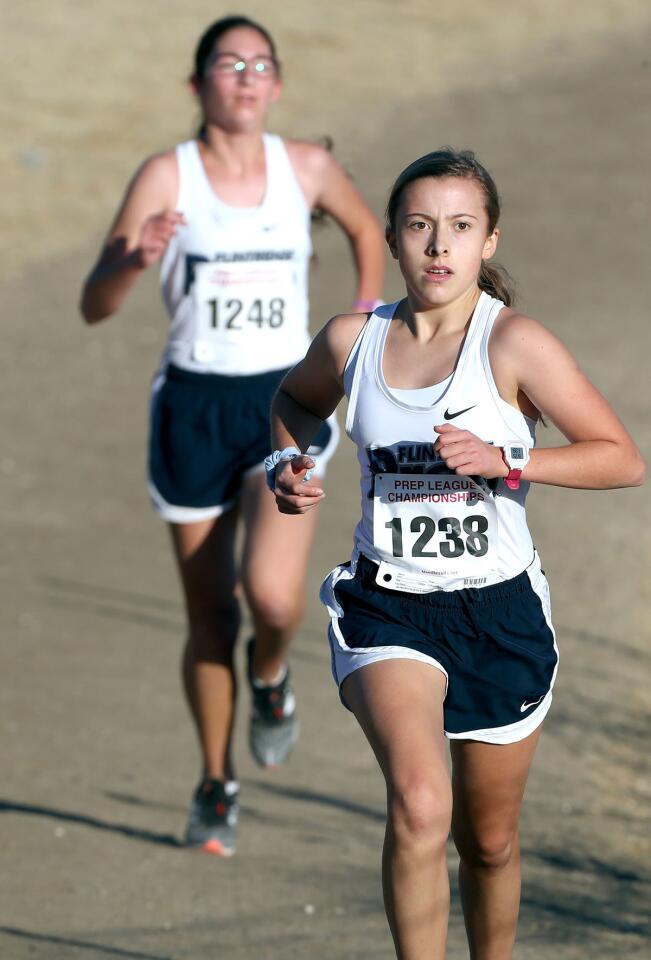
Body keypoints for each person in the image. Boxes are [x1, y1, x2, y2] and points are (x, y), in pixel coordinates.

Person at [267, 148, 645, 958]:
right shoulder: (351, 340)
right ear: (396, 242)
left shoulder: (514, 344)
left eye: (459, 228)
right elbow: (295, 402)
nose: (438, 245)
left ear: (488, 241)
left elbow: (619, 456)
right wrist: (285, 464)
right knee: (417, 805)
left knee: (489, 843)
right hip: (388, 605)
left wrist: (509, 461)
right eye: (419, 227)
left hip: (498, 611)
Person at [79, 15, 385, 857]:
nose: (246, 77)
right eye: (228, 63)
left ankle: (273, 676)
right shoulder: (164, 176)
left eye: (261, 64)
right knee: (210, 616)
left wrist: (356, 320)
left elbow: (365, 228)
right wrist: (134, 258)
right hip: (189, 409)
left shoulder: (307, 167)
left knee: (275, 598)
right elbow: (93, 302)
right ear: (198, 85)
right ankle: (216, 782)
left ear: (276, 84)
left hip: (283, 405)